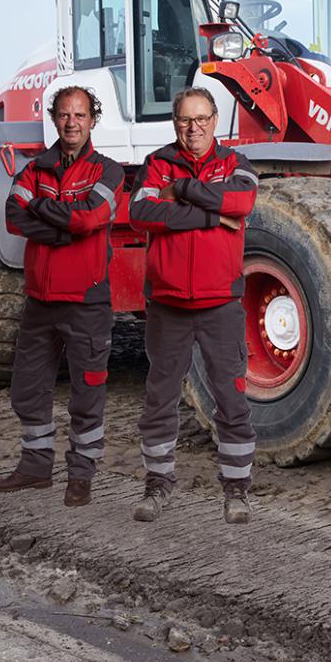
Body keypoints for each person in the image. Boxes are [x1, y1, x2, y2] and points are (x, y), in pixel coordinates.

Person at [128, 86, 260, 524]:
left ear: (215, 119)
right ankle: (157, 485)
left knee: (231, 398)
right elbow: (142, 214)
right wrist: (207, 214)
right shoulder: (156, 163)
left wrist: (181, 189)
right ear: (175, 124)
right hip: (167, 304)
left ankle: (237, 491)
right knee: (160, 399)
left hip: (220, 303)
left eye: (202, 119)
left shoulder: (235, 163)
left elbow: (240, 203)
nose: (194, 128)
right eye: (186, 120)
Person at [0, 86, 124, 507]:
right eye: (65, 114)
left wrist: (44, 212)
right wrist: (61, 229)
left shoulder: (109, 171)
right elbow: (14, 216)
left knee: (87, 393)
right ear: (54, 118)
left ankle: (81, 475)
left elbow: (90, 218)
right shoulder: (34, 169)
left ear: (92, 120)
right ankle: (35, 467)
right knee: (27, 389)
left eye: (80, 115)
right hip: (40, 301)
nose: (72, 122)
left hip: (86, 301)